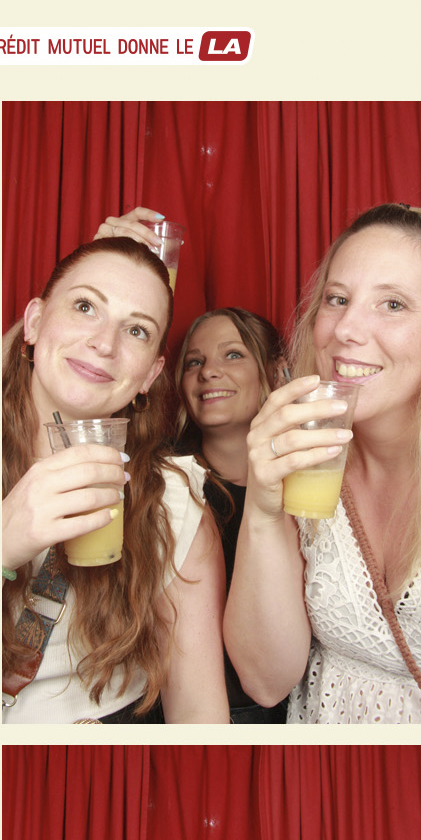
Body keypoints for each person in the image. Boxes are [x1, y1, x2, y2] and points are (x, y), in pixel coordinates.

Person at [224, 205, 421, 723]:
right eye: (337, 299)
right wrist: (263, 509)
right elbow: (266, 681)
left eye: (392, 304)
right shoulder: (304, 462)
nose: (346, 328)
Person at [1, 234, 228, 723]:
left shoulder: (172, 502)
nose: (104, 344)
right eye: (85, 306)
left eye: (137, 330)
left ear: (150, 374)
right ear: (34, 322)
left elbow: (200, 718)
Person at [173, 309, 290, 723]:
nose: (208, 371)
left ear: (276, 373)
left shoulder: (312, 488)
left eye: (233, 354)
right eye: (194, 362)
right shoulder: (166, 490)